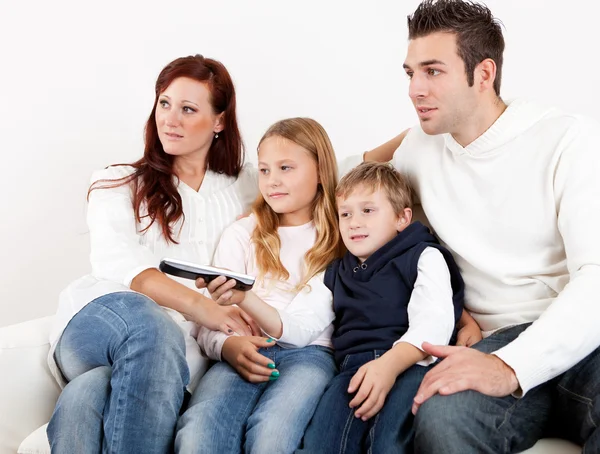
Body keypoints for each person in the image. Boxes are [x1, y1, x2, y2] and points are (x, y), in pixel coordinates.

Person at [347, 1, 600, 452]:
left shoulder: (568, 138)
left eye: (433, 71)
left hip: (580, 337)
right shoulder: (421, 149)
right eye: (410, 74)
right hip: (490, 339)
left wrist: (511, 367)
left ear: (483, 75)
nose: (414, 89)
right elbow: (349, 178)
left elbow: (596, 278)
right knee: (441, 417)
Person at [46, 54, 260, 453]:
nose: (170, 119)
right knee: (153, 328)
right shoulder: (117, 183)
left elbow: (318, 170)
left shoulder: (247, 186)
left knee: (88, 395)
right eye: (164, 103)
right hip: (103, 318)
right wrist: (207, 309)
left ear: (219, 121)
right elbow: (129, 271)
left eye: (188, 109)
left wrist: (408, 137)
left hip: (177, 350)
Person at [175, 117, 343, 454]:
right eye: (264, 170)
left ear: (321, 171)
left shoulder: (340, 240)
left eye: (285, 168)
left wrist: (245, 299)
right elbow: (210, 319)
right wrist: (227, 346)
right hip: (242, 350)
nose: (272, 181)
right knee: (200, 431)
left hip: (310, 354)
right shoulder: (242, 234)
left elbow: (302, 329)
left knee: (272, 434)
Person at [298, 161, 465, 453]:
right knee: (322, 445)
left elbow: (433, 324)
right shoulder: (336, 271)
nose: (354, 222)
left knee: (388, 443)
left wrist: (387, 367)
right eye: (345, 213)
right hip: (352, 370)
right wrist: (244, 300)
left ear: (402, 218)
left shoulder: (423, 255)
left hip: (411, 363)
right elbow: (300, 322)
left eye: (368, 210)